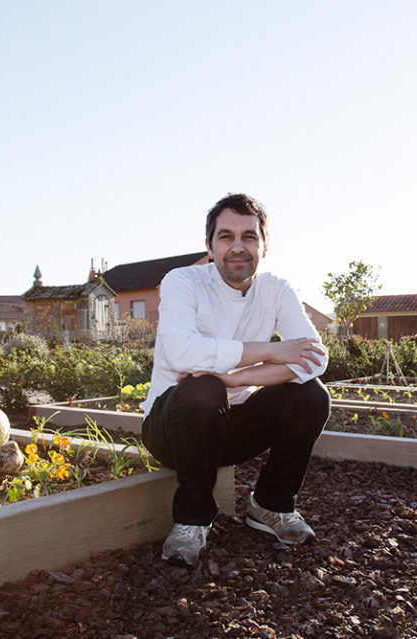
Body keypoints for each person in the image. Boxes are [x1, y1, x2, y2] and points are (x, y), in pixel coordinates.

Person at [141, 193, 331, 567]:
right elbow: (182, 352)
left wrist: (233, 379)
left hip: (229, 425)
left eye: (249, 236)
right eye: (226, 236)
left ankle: (270, 506)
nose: (238, 247)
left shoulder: (276, 288)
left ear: (264, 245)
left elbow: (314, 357)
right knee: (201, 388)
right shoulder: (182, 281)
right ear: (209, 245)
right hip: (172, 429)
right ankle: (191, 521)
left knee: (311, 395)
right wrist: (271, 350)